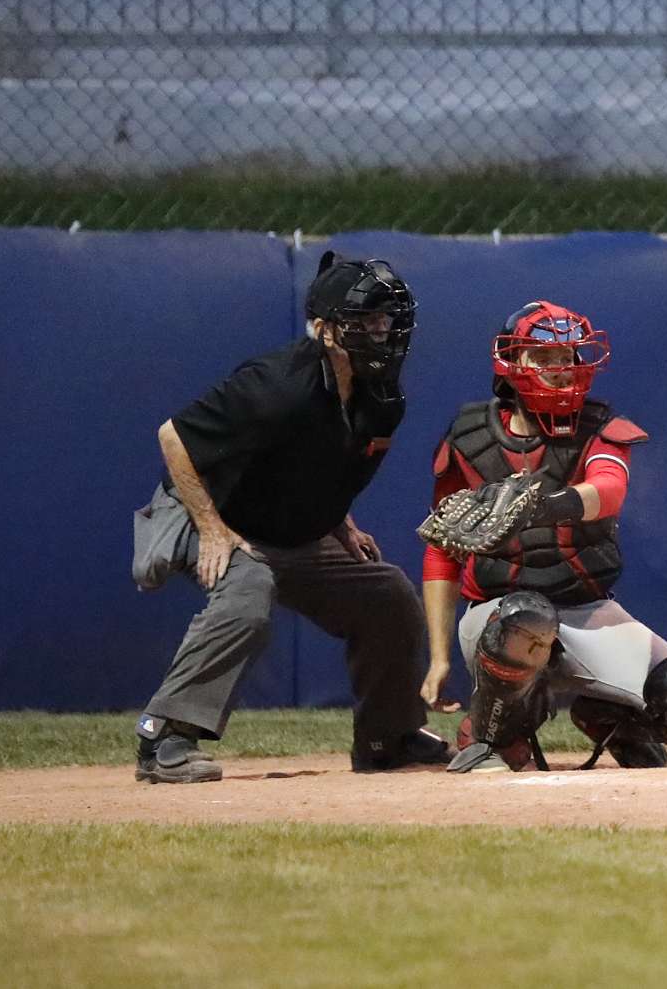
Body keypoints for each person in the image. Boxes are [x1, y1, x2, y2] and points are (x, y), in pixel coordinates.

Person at [130, 253, 451, 783]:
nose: (381, 332)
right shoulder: (278, 386)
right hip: (207, 512)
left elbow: (328, 465)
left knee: (388, 595)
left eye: (385, 320)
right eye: (365, 321)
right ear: (325, 331)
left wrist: (340, 521)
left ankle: (387, 737)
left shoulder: (382, 397)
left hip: (288, 528)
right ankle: (164, 738)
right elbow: (174, 437)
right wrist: (212, 529)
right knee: (249, 591)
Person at [423, 301, 667, 773]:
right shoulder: (469, 437)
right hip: (498, 615)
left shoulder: (598, 426)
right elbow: (442, 551)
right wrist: (439, 658)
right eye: (544, 357)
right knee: (526, 616)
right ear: (511, 364)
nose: (560, 369)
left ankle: (607, 715)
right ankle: (491, 736)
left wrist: (542, 506)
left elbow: (609, 491)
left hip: (584, 608)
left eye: (567, 357)